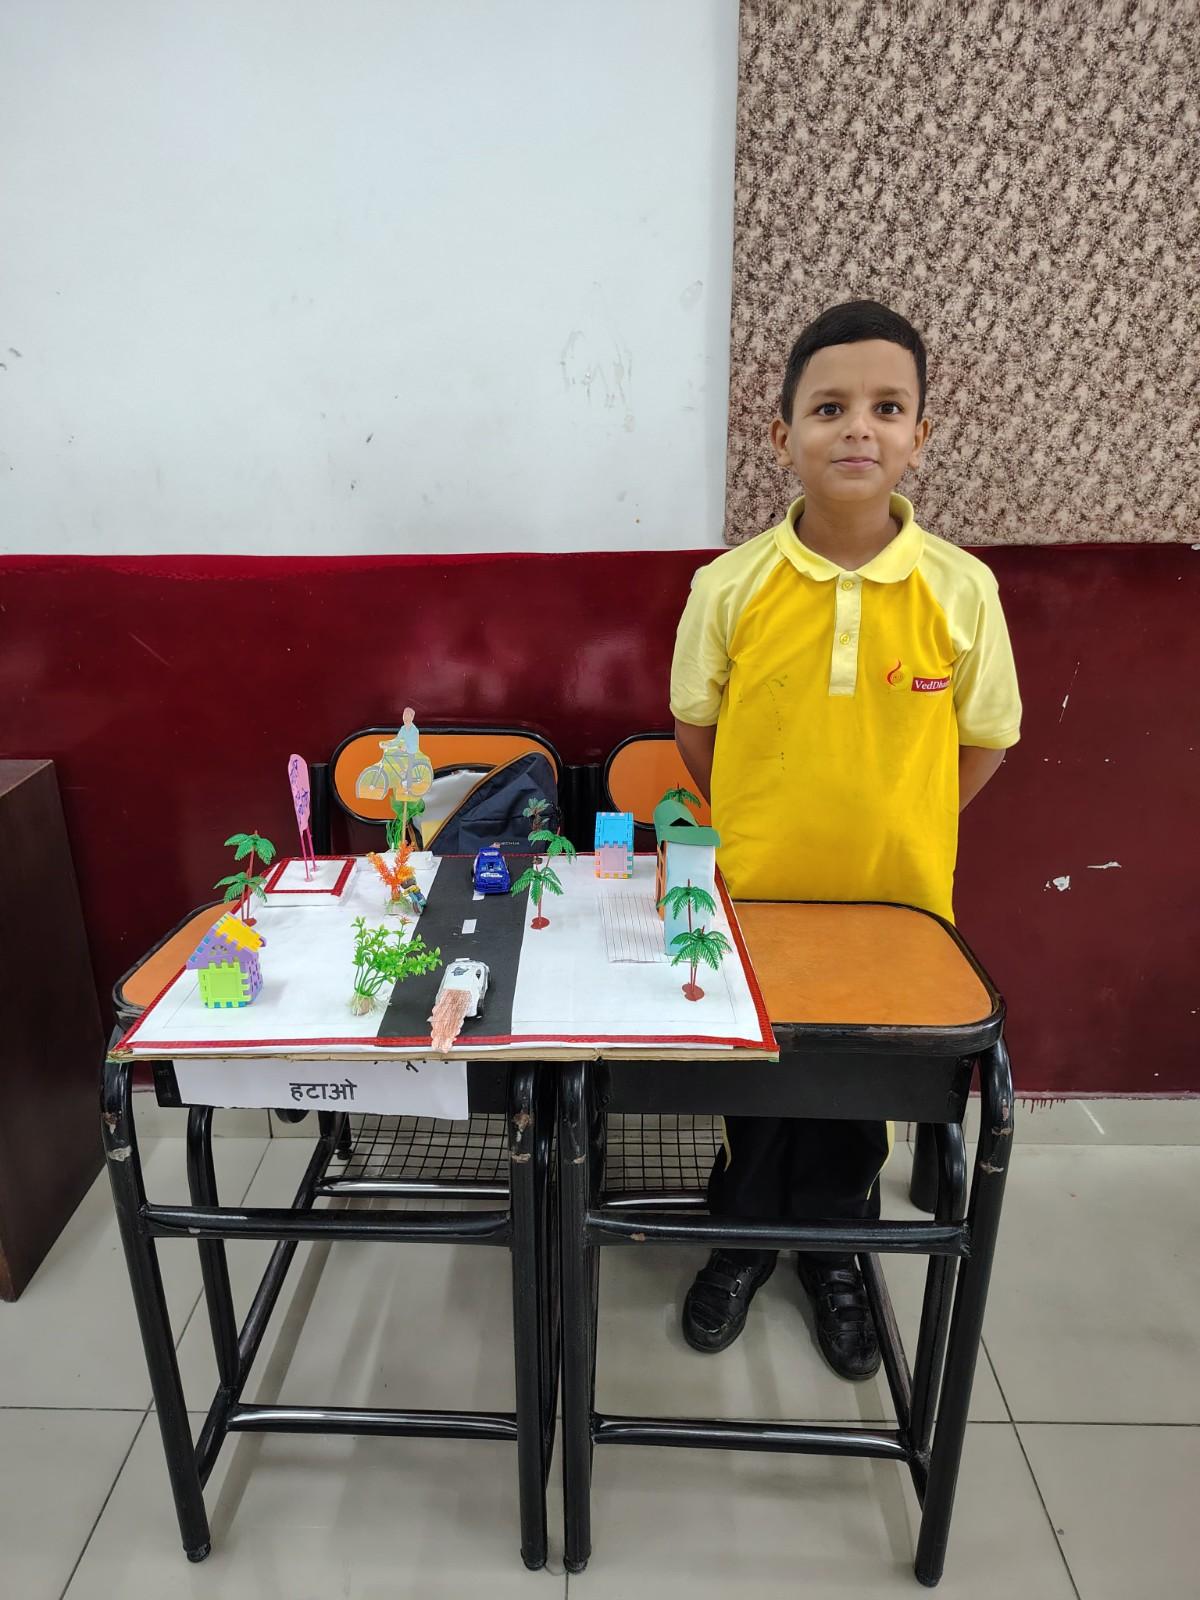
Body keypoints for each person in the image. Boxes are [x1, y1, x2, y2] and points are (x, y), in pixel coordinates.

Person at [669, 300, 1021, 1378]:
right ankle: (740, 1240)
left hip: (897, 910)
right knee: (755, 1092)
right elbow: (696, 733)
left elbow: (986, 738)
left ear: (919, 434)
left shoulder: (962, 590)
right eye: (829, 408)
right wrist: (760, 824)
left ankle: (833, 1253)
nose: (858, 427)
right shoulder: (730, 587)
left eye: (886, 407)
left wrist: (911, 821)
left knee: (859, 1101)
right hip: (757, 900)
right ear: (782, 436)